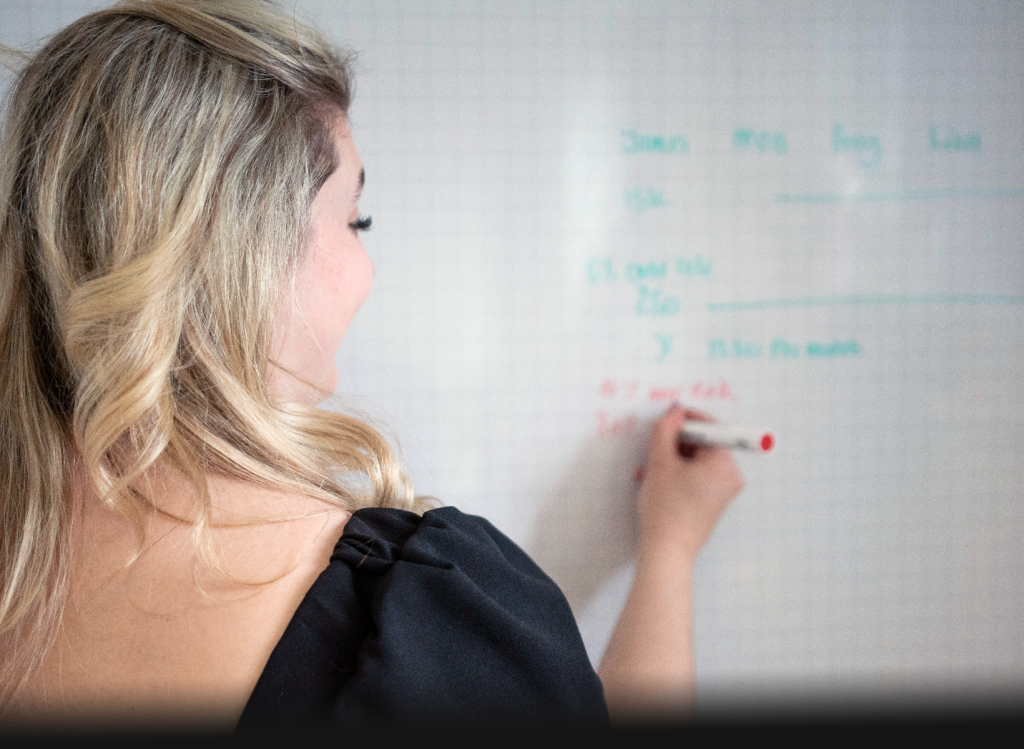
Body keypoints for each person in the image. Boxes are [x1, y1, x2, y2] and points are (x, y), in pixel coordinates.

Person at [0, 0, 744, 729]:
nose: (367, 266)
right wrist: (671, 555)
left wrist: (667, 545)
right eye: (354, 218)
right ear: (249, 250)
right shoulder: (417, 614)